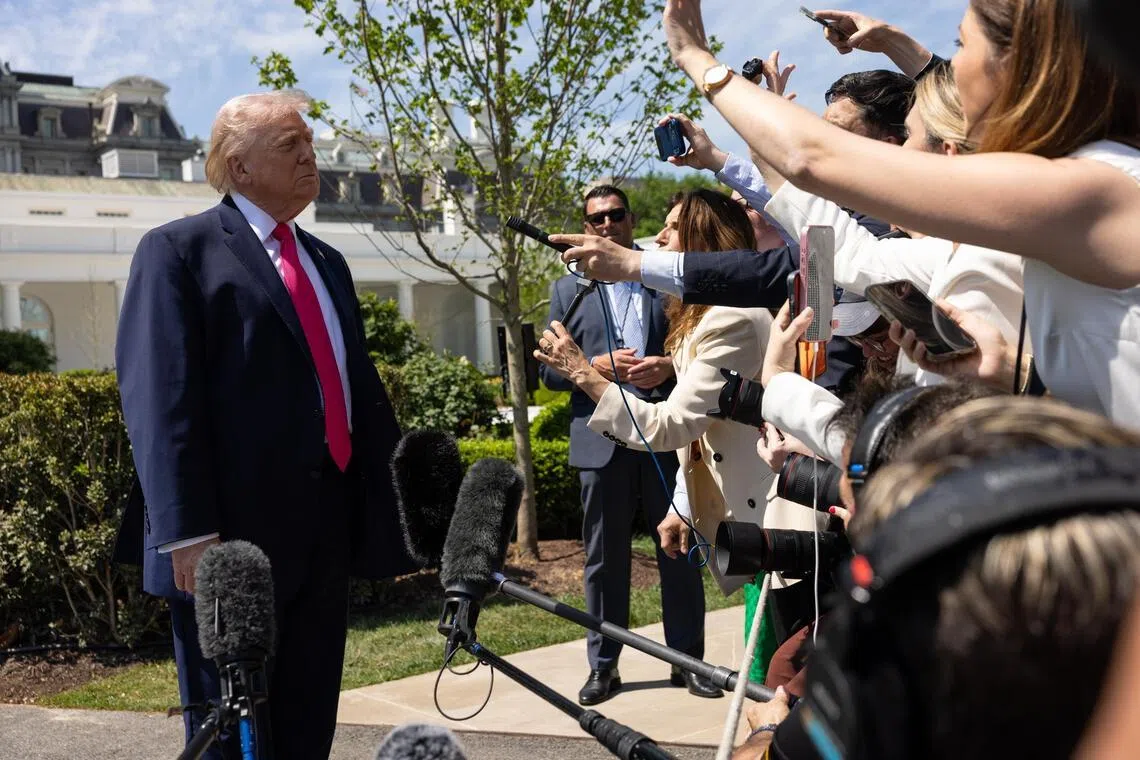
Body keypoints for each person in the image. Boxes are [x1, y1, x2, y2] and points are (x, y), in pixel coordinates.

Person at [661, 0, 1140, 428]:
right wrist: (1017, 375)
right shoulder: (1051, 201)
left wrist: (697, 58)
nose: (952, 68)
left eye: (961, 44)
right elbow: (847, 251)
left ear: (1016, 66)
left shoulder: (1092, 187)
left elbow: (812, 158)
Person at [112, 91, 414, 759]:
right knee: (229, 734)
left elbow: (354, 394)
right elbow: (161, 402)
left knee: (308, 728)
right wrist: (187, 533)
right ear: (239, 166)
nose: (310, 155)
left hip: (322, 539)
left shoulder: (327, 263)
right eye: (289, 145)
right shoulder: (177, 252)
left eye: (308, 140)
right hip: (225, 554)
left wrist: (394, 513)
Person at [536, 188, 827, 686]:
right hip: (730, 503)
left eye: (671, 228)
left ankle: (690, 664)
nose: (660, 236)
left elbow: (673, 424)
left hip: (779, 518)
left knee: (788, 679)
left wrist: (586, 373)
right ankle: (604, 667)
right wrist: (683, 506)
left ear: (702, 242)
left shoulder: (730, 317)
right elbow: (703, 429)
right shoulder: (700, 313)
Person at [537, 184, 718, 705]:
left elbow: (693, 347)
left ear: (630, 218)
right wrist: (591, 367)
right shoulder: (566, 291)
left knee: (680, 549)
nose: (608, 224)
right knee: (603, 559)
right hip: (601, 441)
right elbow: (546, 375)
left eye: (616, 214)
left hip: (664, 431)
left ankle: (688, 663)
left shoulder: (660, 277)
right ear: (586, 227)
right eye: (597, 218)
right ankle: (604, 666)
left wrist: (667, 365)